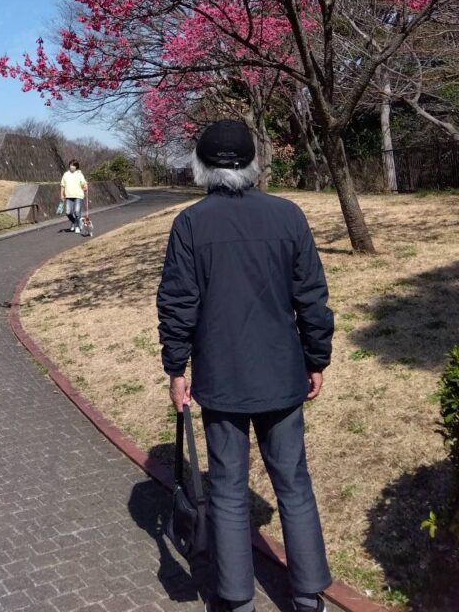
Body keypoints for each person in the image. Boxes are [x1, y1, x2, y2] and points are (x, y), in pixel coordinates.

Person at [157, 120, 334, 612]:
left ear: (202, 165)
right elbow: (312, 300)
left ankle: (236, 601)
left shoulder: (191, 224)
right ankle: (308, 595)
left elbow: (177, 305)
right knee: (293, 483)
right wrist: (316, 358)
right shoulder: (288, 216)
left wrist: (177, 369)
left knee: (229, 489)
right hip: (282, 373)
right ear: (254, 162)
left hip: (221, 378)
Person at [60, 158, 88, 234]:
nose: (72, 167)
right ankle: (75, 222)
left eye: (73, 166)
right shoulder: (66, 174)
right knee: (68, 212)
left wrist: (85, 187)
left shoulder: (80, 174)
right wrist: (62, 195)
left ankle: (77, 227)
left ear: (76, 167)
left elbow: (84, 184)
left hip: (78, 196)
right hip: (69, 196)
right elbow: (62, 185)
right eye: (71, 165)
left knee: (77, 211)